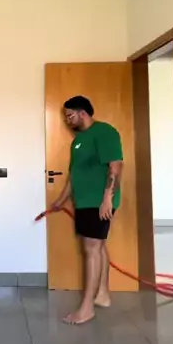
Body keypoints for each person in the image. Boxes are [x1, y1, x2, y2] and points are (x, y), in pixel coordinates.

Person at [52, 96, 123, 325]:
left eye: (70, 115)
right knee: (97, 246)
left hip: (98, 202)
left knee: (91, 248)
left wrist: (107, 199)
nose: (67, 120)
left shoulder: (105, 132)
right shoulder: (79, 141)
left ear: (83, 113)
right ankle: (102, 295)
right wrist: (60, 201)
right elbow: (74, 176)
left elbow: (115, 166)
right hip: (83, 202)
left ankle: (86, 308)